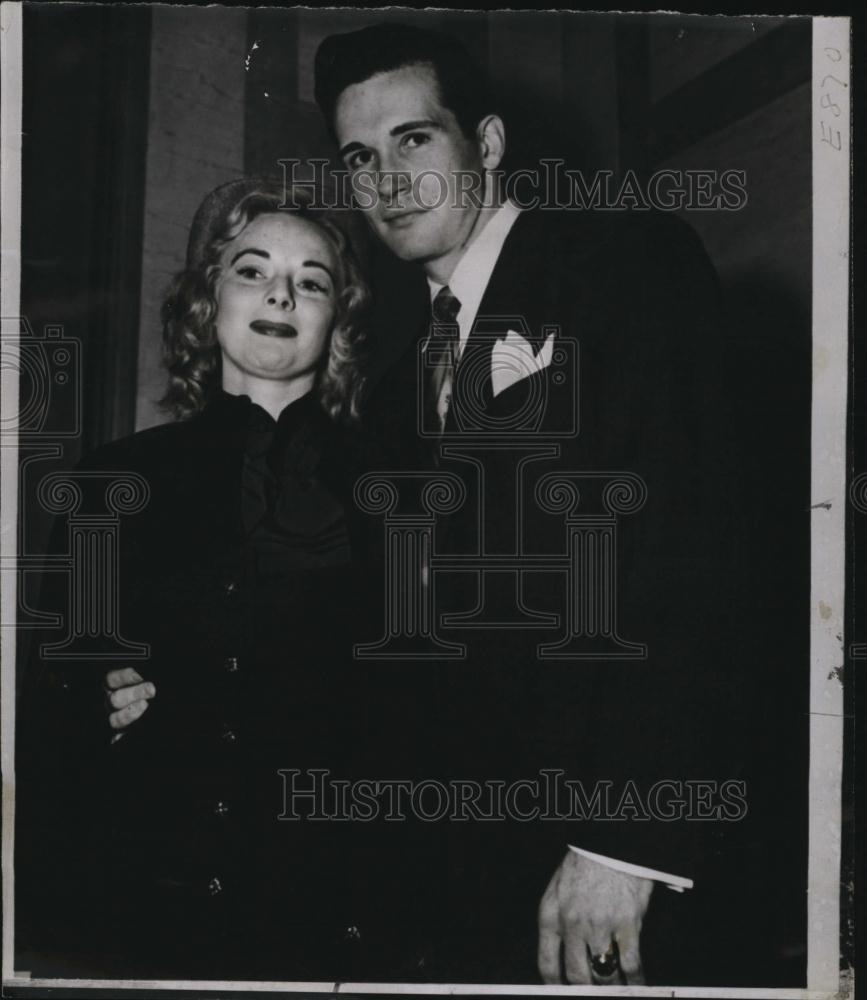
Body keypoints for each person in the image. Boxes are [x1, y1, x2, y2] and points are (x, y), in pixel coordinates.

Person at [308, 22, 780, 987]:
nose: (386, 180)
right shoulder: (395, 391)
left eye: (413, 139)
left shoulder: (627, 265)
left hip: (614, 871)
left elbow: (696, 550)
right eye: (360, 157)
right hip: (465, 879)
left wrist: (624, 842)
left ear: (484, 144)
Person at [17, 177, 374, 980]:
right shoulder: (114, 480)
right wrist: (93, 707)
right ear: (206, 300)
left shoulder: (397, 491)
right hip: (146, 917)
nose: (282, 291)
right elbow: (48, 719)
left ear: (337, 320)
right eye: (251, 270)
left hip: (331, 919)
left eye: (311, 281)